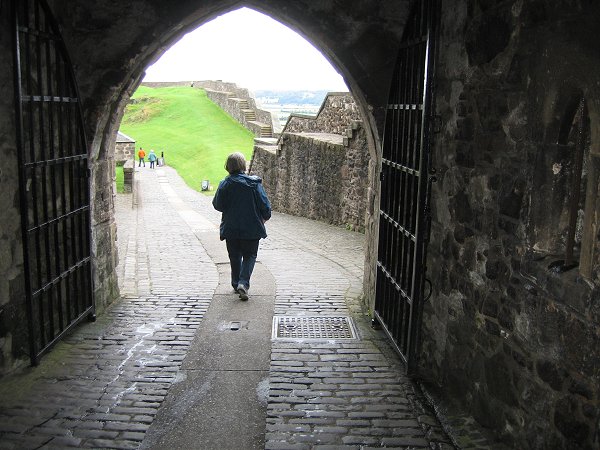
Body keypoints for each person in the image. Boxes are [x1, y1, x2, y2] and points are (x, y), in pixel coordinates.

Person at [212, 152, 271, 301]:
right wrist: (265, 217)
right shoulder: (254, 184)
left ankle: (235, 282)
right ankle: (243, 283)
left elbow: (217, 205)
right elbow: (265, 206)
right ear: (243, 165)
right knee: (250, 255)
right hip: (251, 228)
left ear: (228, 167)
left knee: (234, 255)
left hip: (231, 227)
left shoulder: (224, 184)